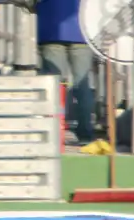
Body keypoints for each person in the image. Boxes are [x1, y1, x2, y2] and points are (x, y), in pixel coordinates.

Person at [36, 0, 96, 143]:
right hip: (83, 30)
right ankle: (85, 134)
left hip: (50, 28)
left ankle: (55, 132)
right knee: (82, 84)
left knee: (55, 86)